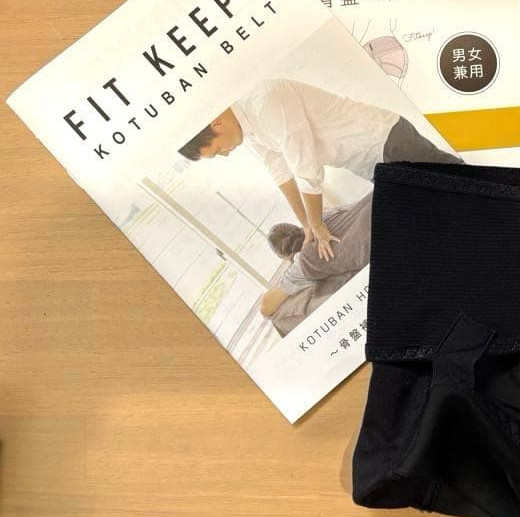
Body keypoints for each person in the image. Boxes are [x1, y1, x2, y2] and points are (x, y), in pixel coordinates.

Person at [178, 78, 459, 262]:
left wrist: (318, 224)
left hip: (384, 139)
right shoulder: (249, 132)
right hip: (365, 161)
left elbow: (306, 170)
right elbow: (280, 172)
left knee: (457, 184)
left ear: (217, 124)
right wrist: (305, 224)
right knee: (431, 209)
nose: (225, 153)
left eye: (217, 150)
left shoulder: (266, 100)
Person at [259, 195, 373, 332]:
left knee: (280, 319)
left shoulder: (303, 261)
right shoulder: (322, 218)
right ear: (297, 227)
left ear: (284, 256)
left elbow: (265, 308)